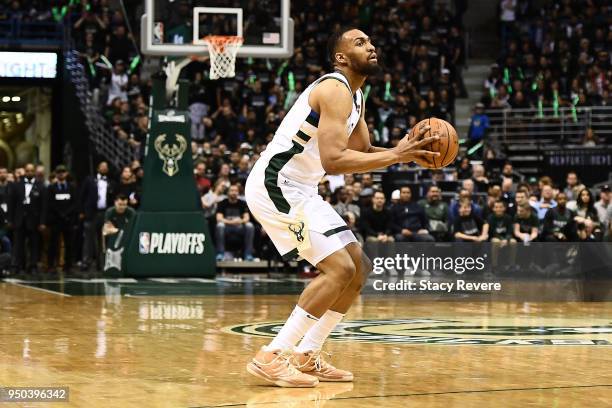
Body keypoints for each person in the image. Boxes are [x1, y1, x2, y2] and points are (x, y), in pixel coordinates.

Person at [244, 27, 439, 387]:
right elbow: (334, 161)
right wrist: (397, 155)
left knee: (359, 267)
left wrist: (405, 155)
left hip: (302, 188)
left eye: (371, 41)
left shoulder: (356, 96)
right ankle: (271, 355)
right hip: (275, 185)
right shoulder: (333, 88)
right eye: (360, 43)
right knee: (337, 269)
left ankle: (306, 354)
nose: (372, 46)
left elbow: (361, 152)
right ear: (341, 57)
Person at [9, 163, 47, 274]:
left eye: (31, 170)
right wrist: (10, 220)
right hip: (19, 220)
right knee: (18, 245)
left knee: (34, 244)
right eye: (27, 170)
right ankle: (17, 266)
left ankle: (33, 266)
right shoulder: (17, 185)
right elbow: (12, 204)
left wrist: (42, 222)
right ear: (25, 172)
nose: (29, 172)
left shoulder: (41, 186)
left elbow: (44, 206)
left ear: (34, 172)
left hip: (34, 221)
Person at [79, 161, 116, 271]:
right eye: (102, 167)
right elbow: (82, 196)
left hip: (105, 213)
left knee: (104, 240)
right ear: (98, 168)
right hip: (91, 213)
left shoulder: (111, 182)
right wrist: (82, 211)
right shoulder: (89, 180)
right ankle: (86, 262)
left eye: (106, 167)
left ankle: (102, 263)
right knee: (89, 239)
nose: (104, 168)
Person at [47, 165, 78, 273]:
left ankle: (68, 266)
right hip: (56, 219)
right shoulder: (51, 188)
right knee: (53, 244)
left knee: (69, 244)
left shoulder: (72, 187)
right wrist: (60, 214)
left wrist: (66, 214)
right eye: (59, 172)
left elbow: (74, 203)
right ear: (56, 173)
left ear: (66, 173)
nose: (61, 174)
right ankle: (51, 265)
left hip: (68, 220)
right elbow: (50, 203)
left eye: (63, 172)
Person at [215, 183, 255, 261]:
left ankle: (248, 254)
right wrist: (232, 222)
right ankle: (220, 253)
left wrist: (240, 221)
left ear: (238, 193)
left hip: (239, 227)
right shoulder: (222, 203)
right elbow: (219, 218)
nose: (234, 192)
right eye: (232, 190)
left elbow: (247, 218)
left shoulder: (242, 203)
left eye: (236, 191)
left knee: (249, 226)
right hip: (227, 227)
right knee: (220, 225)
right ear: (228, 193)